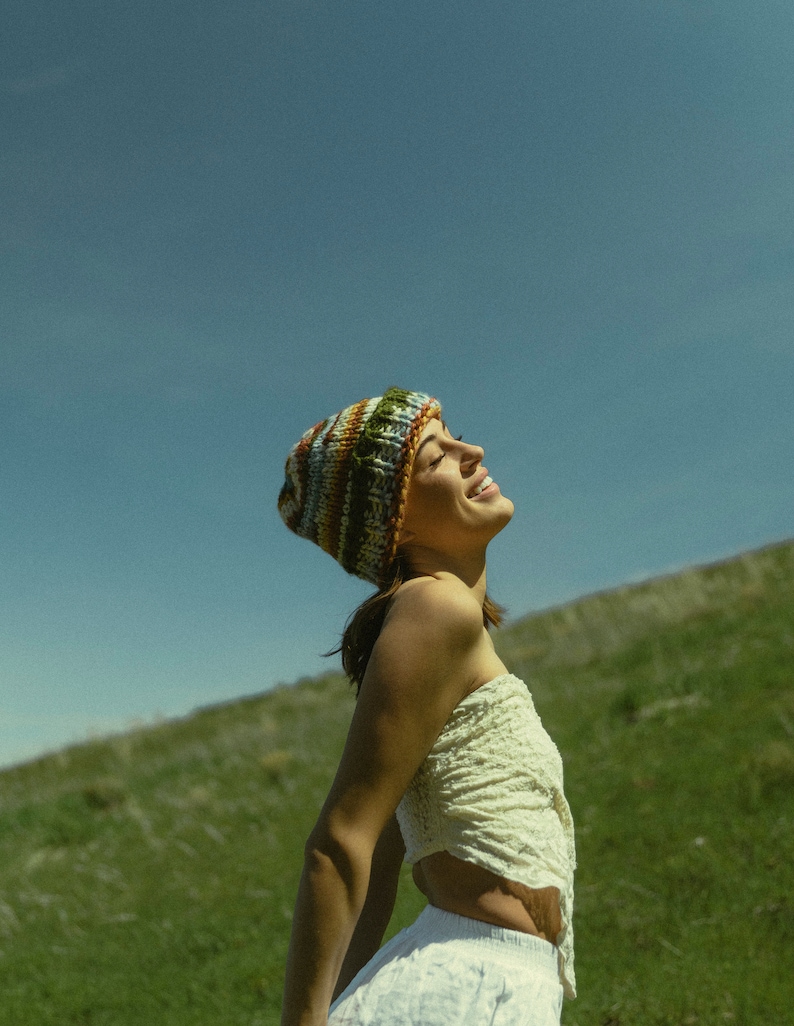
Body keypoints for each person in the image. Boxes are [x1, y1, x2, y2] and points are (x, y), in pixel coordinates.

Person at [277, 387, 576, 1026]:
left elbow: (380, 865)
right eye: (435, 458)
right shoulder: (435, 608)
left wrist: (338, 1005)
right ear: (396, 520)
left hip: (493, 984)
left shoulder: (442, 625)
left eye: (455, 437)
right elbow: (340, 841)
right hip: (466, 984)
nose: (473, 452)